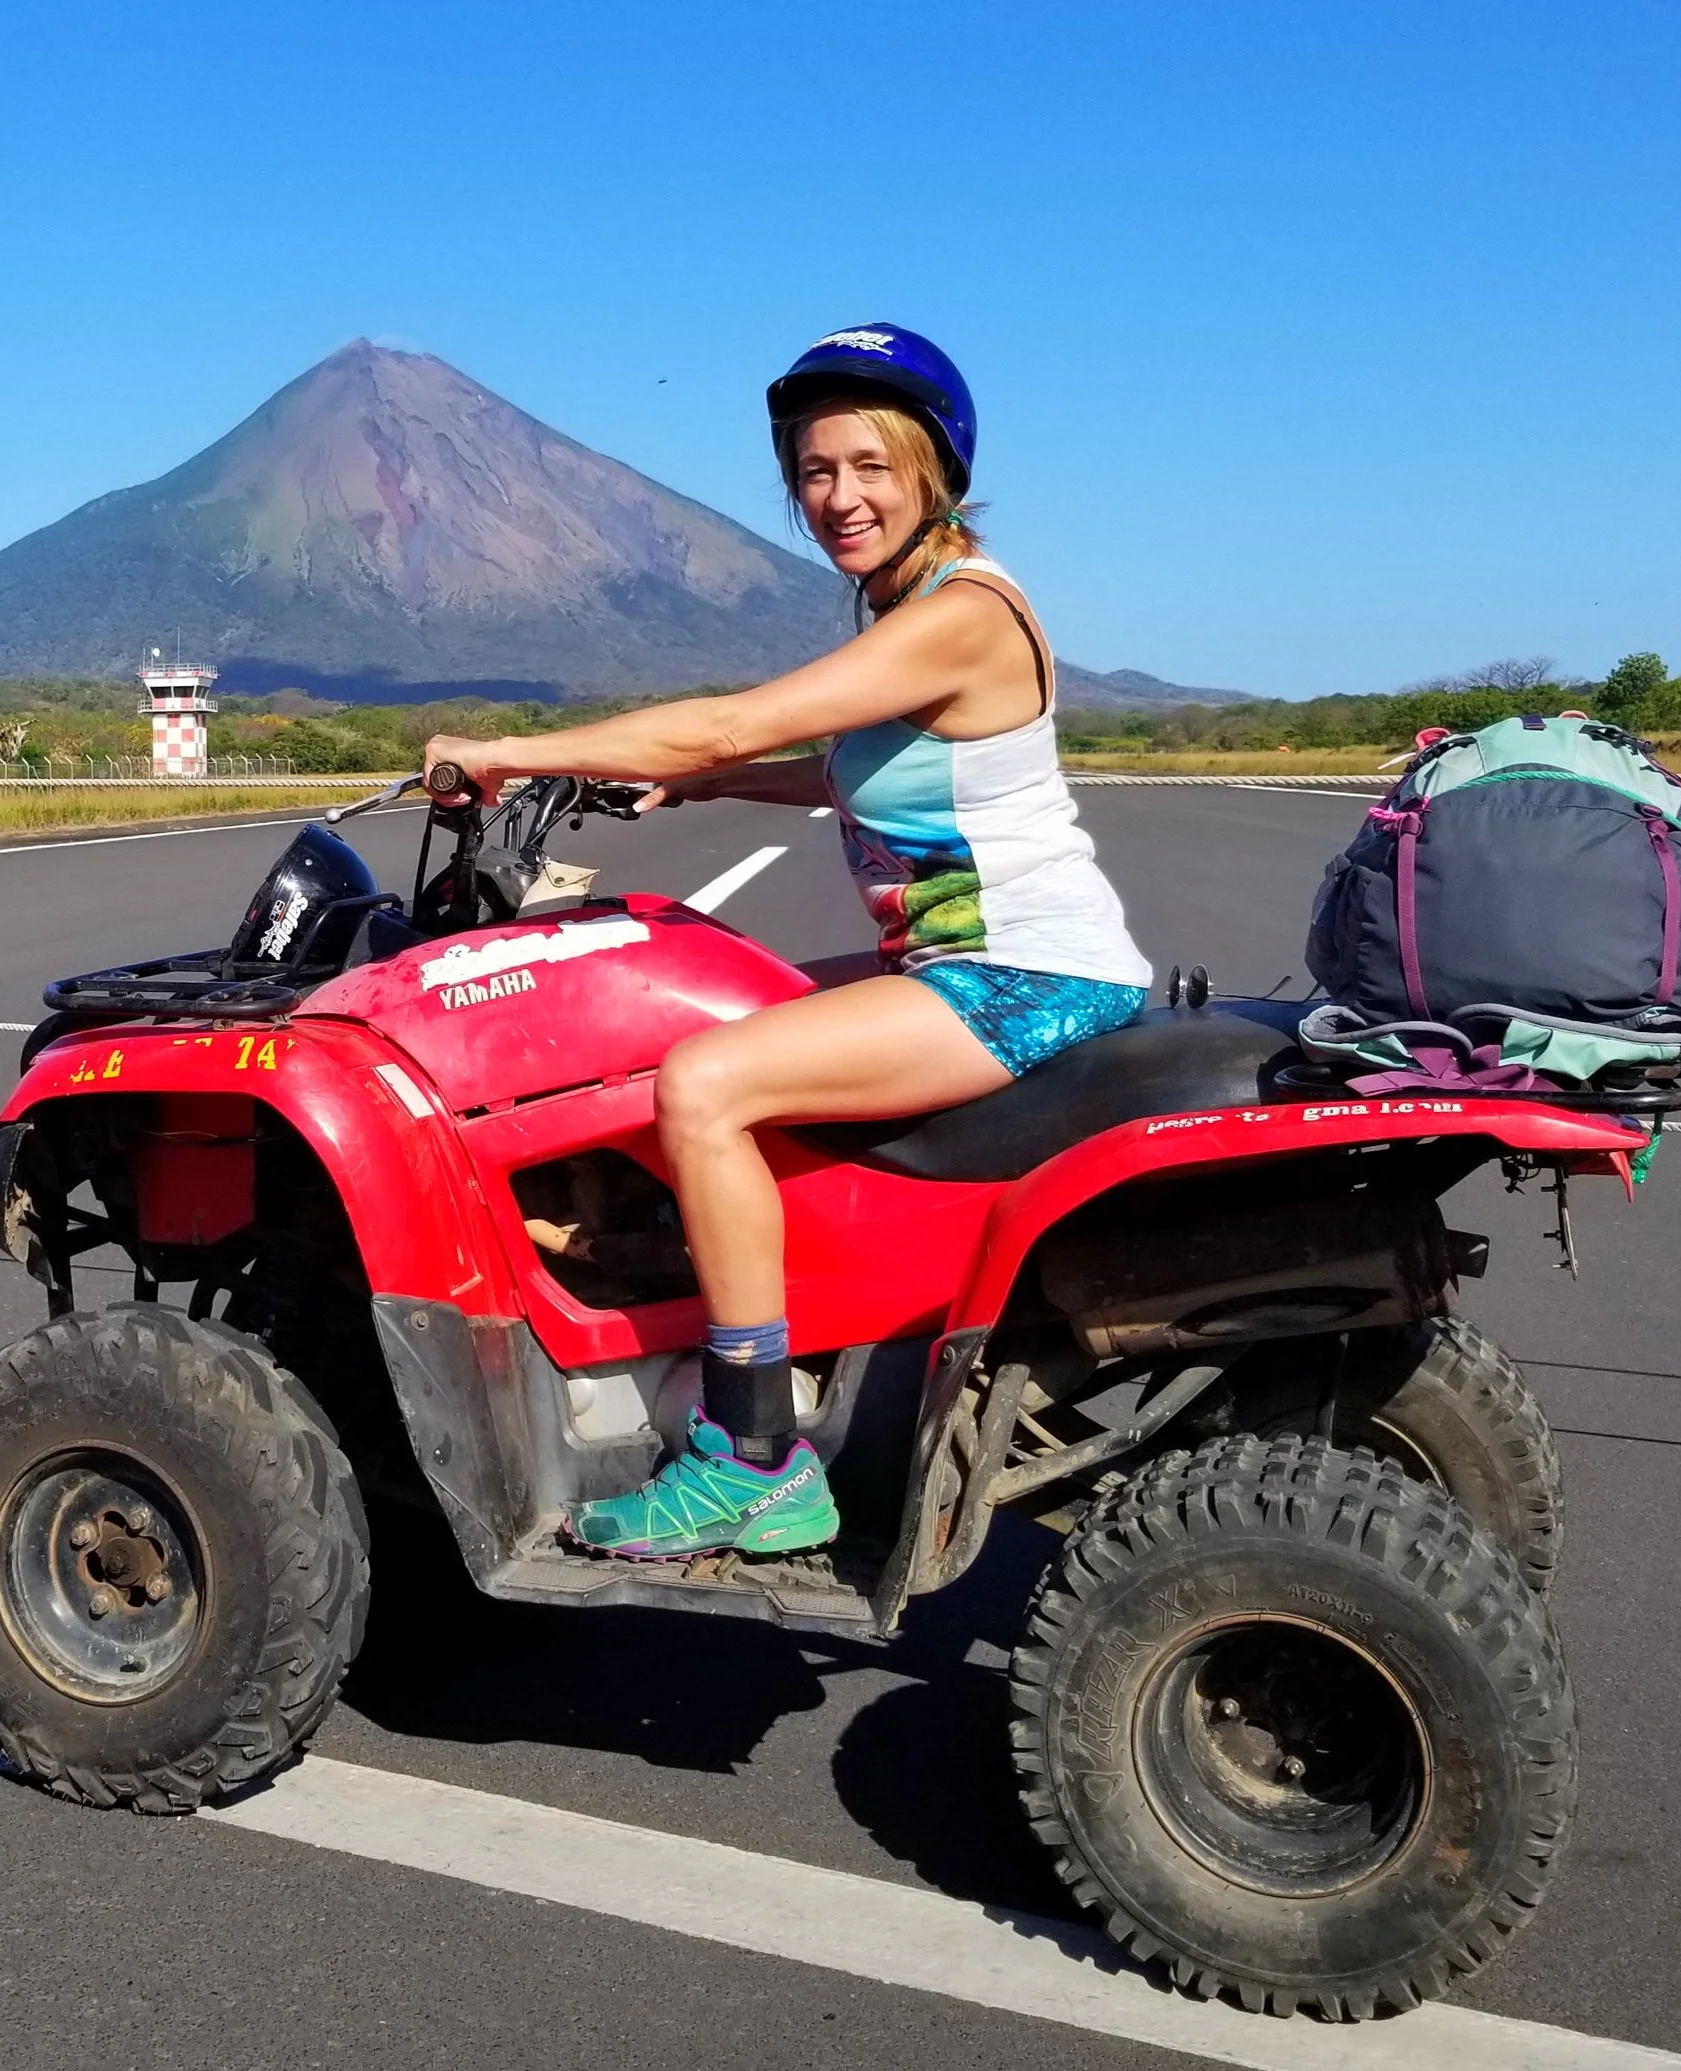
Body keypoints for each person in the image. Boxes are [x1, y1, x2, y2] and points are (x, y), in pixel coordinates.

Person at [421, 323, 1152, 1561]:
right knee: (689, 1015)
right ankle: (729, 1297)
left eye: (870, 465)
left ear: (933, 471)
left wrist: (506, 752)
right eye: (814, 471)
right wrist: (711, 794)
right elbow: (846, 767)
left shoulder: (963, 614)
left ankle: (753, 1456)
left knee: (701, 1082)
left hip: (1022, 976)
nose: (838, 497)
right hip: (970, 968)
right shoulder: (915, 605)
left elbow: (727, 722)